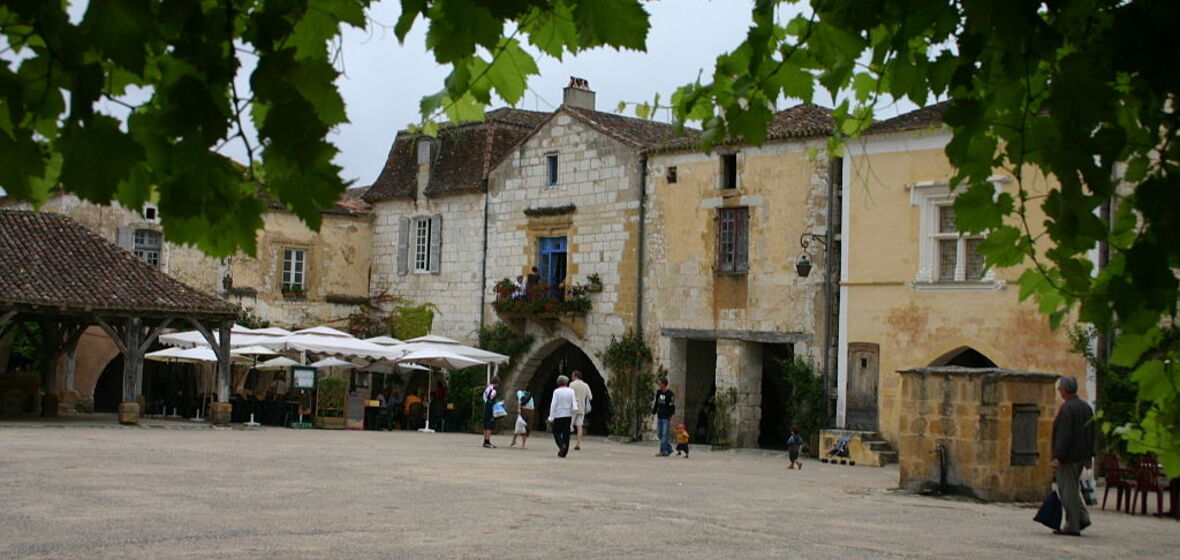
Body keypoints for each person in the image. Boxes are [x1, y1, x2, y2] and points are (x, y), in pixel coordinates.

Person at [1051, 375, 1094, 536]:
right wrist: (1089, 455)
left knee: (1067, 491)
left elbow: (1064, 435)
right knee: (1072, 489)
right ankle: (1082, 518)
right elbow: (1092, 433)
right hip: (1081, 455)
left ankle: (1073, 525)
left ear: (1064, 390)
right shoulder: (1086, 407)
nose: (1059, 392)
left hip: (1069, 457)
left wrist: (1058, 456)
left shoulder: (1067, 409)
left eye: (1060, 389)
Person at [548, 375, 578, 457]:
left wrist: (551, 416)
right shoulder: (571, 391)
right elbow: (574, 402)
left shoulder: (557, 391)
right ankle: (564, 452)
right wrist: (574, 410)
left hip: (558, 414)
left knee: (556, 432)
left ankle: (561, 445)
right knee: (566, 433)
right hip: (568, 414)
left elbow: (553, 404)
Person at [569, 371, 593, 451]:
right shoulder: (585, 385)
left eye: (572, 376)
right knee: (579, 426)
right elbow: (590, 397)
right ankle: (578, 444)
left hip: (573, 408)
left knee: (569, 425)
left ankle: (566, 442)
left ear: (575, 376)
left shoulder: (572, 384)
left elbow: (569, 395)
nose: (572, 377)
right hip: (582, 408)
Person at [652, 377, 675, 457]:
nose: (658, 385)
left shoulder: (670, 394)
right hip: (660, 415)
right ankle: (669, 449)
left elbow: (672, 405)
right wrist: (653, 412)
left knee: (665, 434)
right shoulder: (659, 392)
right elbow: (656, 403)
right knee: (659, 434)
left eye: (660, 383)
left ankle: (662, 451)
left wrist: (671, 415)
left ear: (664, 384)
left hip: (666, 417)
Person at [482, 376, 501, 448]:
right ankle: (487, 441)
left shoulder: (487, 388)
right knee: (489, 425)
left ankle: (485, 440)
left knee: (485, 424)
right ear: (496, 383)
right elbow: (491, 399)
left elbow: (485, 397)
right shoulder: (493, 390)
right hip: (490, 408)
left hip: (486, 406)